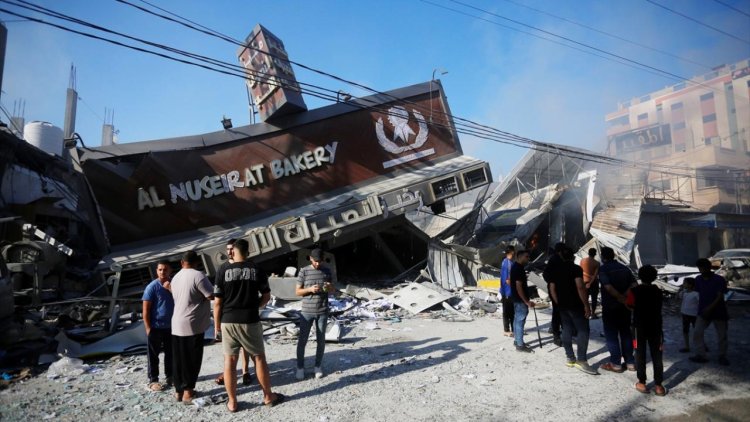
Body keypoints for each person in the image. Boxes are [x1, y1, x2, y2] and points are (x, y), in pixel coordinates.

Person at [214, 239, 285, 412]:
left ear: (233, 252)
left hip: (228, 321)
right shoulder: (256, 269)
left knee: (229, 361)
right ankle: (268, 396)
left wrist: (217, 326)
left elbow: (217, 302)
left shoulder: (222, 270)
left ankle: (232, 402)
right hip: (250, 320)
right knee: (258, 358)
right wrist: (255, 306)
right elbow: (266, 296)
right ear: (248, 252)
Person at [169, 250, 214, 404]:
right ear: (197, 263)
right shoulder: (198, 275)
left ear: (182, 263)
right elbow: (211, 295)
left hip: (176, 323)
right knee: (192, 359)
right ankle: (188, 392)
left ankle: (178, 391)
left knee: (179, 359)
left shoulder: (175, 277)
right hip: (192, 324)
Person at [549, 248, 597, 375]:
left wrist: (557, 302)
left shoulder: (556, 270)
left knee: (566, 329)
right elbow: (580, 287)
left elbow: (552, 288)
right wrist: (586, 305)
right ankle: (581, 360)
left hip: (563, 305)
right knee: (583, 330)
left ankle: (570, 357)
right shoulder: (576, 269)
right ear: (573, 257)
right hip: (576, 305)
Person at [215, 239, 253, 387]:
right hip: (228, 316)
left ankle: (245, 372)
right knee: (230, 350)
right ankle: (229, 373)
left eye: (232, 249)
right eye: (228, 249)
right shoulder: (223, 268)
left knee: (246, 348)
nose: (230, 251)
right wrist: (217, 325)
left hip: (245, 315)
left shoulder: (248, 267)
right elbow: (218, 300)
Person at [626, 265, 666, 396]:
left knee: (640, 354)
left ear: (640, 276)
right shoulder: (658, 291)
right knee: (657, 355)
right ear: (654, 277)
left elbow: (629, 305)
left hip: (639, 327)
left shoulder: (634, 291)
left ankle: (642, 382)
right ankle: (659, 385)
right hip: (656, 326)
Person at [296, 248, 334, 380]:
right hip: (306, 312)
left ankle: (317, 367)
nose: (318, 264)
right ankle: (300, 368)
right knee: (302, 341)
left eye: (320, 261)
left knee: (321, 340)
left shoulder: (327, 270)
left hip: (322, 311)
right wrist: (310, 289)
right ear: (310, 259)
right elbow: (298, 292)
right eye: (315, 261)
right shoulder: (304, 271)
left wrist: (329, 287)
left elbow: (333, 289)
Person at [598, 247, 637, 373]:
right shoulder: (624, 268)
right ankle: (630, 362)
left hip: (610, 307)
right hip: (625, 307)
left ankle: (616, 363)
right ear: (614, 255)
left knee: (611, 335)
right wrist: (625, 297)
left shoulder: (603, 269)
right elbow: (634, 284)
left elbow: (608, 287)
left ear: (603, 257)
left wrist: (620, 298)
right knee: (626, 333)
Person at [689, 258, 730, 366]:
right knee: (697, 333)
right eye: (700, 268)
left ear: (709, 267)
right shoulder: (698, 279)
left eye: (703, 268)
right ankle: (701, 355)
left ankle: (722, 356)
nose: (701, 270)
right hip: (703, 311)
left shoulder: (719, 279)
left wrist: (709, 308)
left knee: (722, 335)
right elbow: (698, 294)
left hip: (719, 311)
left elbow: (720, 296)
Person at [142, 260, 174, 392]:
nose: (162, 272)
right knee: (153, 355)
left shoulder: (174, 284)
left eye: (165, 269)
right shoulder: (152, 287)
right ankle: (153, 380)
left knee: (171, 354)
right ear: (156, 271)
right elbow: (145, 310)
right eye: (160, 269)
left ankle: (170, 376)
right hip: (156, 326)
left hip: (171, 326)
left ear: (170, 271)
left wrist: (170, 288)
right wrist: (148, 328)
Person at [510, 249, 535, 353]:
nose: (528, 259)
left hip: (516, 299)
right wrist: (527, 301)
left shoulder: (516, 267)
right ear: (519, 257)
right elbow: (519, 286)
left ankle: (517, 341)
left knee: (517, 320)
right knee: (520, 321)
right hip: (520, 300)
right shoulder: (518, 269)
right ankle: (520, 345)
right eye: (526, 256)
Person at [542, 243, 566, 346]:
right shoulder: (555, 260)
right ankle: (556, 336)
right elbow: (545, 274)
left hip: (557, 289)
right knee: (557, 312)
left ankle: (554, 330)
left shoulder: (557, 259)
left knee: (558, 312)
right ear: (561, 251)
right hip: (556, 290)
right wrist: (552, 282)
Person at [678, 277, 699, 353]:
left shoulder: (696, 294)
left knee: (697, 331)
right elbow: (678, 298)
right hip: (685, 314)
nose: (683, 284)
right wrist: (680, 291)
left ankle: (702, 345)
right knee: (685, 330)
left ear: (690, 285)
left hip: (694, 315)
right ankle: (687, 346)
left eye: (685, 283)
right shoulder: (684, 292)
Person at [499, 246, 516, 337]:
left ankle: (515, 329)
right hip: (507, 291)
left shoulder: (510, 262)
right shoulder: (506, 263)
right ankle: (506, 330)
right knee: (507, 312)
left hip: (510, 291)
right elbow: (507, 280)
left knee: (512, 311)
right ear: (512, 252)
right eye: (514, 252)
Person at [580, 248, 600, 319]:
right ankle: (593, 313)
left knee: (585, 298)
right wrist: (590, 283)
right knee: (594, 298)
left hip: (584, 282)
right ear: (595, 254)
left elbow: (580, 271)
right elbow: (595, 275)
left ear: (588, 253)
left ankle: (585, 312)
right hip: (593, 283)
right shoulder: (597, 263)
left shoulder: (582, 261)